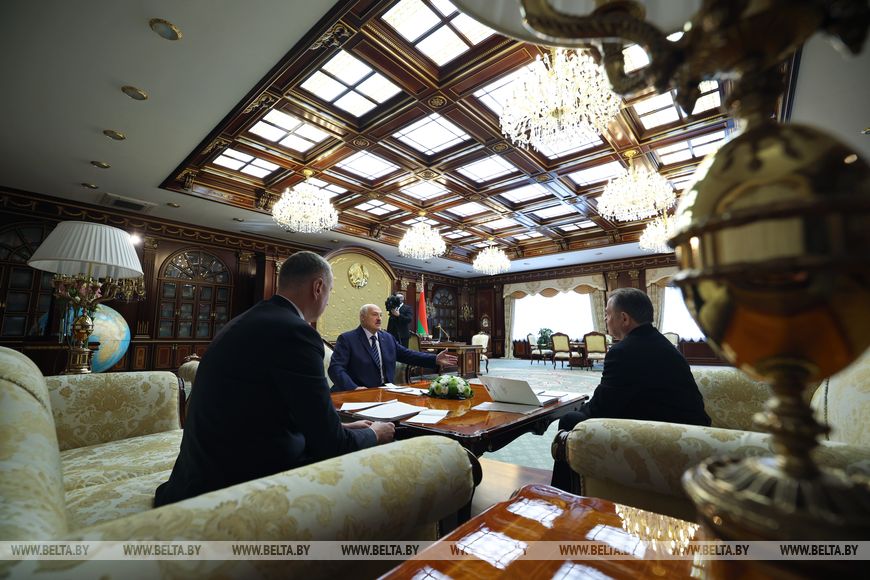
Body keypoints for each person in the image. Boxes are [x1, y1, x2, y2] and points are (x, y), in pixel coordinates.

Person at [154, 251, 395, 507]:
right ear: (318, 287)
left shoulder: (249, 320)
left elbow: (264, 407)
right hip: (234, 490)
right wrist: (374, 434)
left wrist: (341, 427)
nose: (327, 300)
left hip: (195, 476)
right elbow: (332, 445)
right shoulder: (297, 333)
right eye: (330, 291)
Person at [550, 287, 711, 492]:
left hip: (670, 436)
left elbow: (602, 408)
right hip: (691, 428)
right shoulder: (661, 342)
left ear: (624, 318)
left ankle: (563, 496)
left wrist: (577, 410)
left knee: (570, 421)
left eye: (608, 314)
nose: (606, 319)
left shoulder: (624, 351)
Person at [329, 304, 457, 391]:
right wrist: (354, 388)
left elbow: (408, 355)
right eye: (374, 315)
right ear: (362, 317)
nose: (379, 319)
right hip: (358, 393)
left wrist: (434, 359)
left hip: (386, 392)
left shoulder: (387, 338)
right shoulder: (347, 339)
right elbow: (336, 368)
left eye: (381, 315)